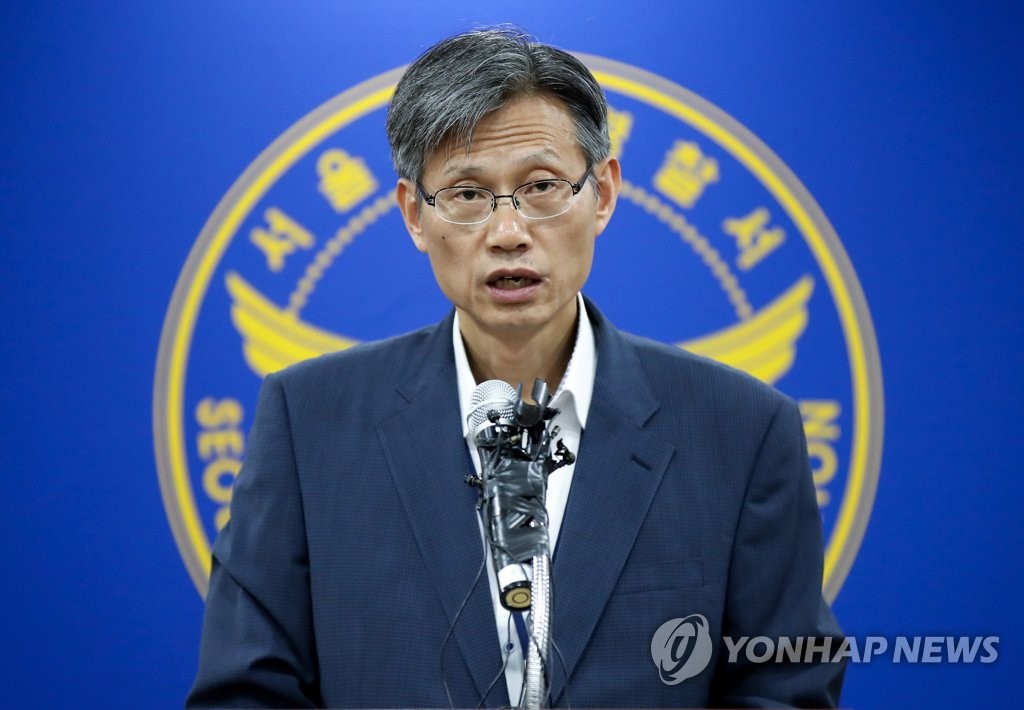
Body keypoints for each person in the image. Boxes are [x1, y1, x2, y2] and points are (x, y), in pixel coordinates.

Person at [187, 27, 845, 709]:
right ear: (414, 214)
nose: (508, 233)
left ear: (603, 193)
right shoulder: (308, 424)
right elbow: (247, 692)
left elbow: (785, 687)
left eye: (541, 186)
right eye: (468, 194)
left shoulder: (743, 430)